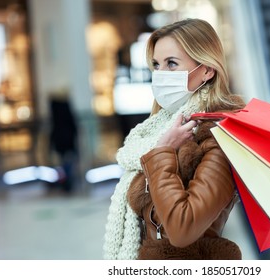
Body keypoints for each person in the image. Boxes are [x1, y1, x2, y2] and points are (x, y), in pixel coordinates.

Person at [103, 18, 246, 260]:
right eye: (156, 65)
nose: (160, 75)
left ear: (207, 70)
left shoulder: (217, 138)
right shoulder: (155, 131)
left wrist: (163, 153)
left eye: (172, 64)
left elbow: (182, 229)